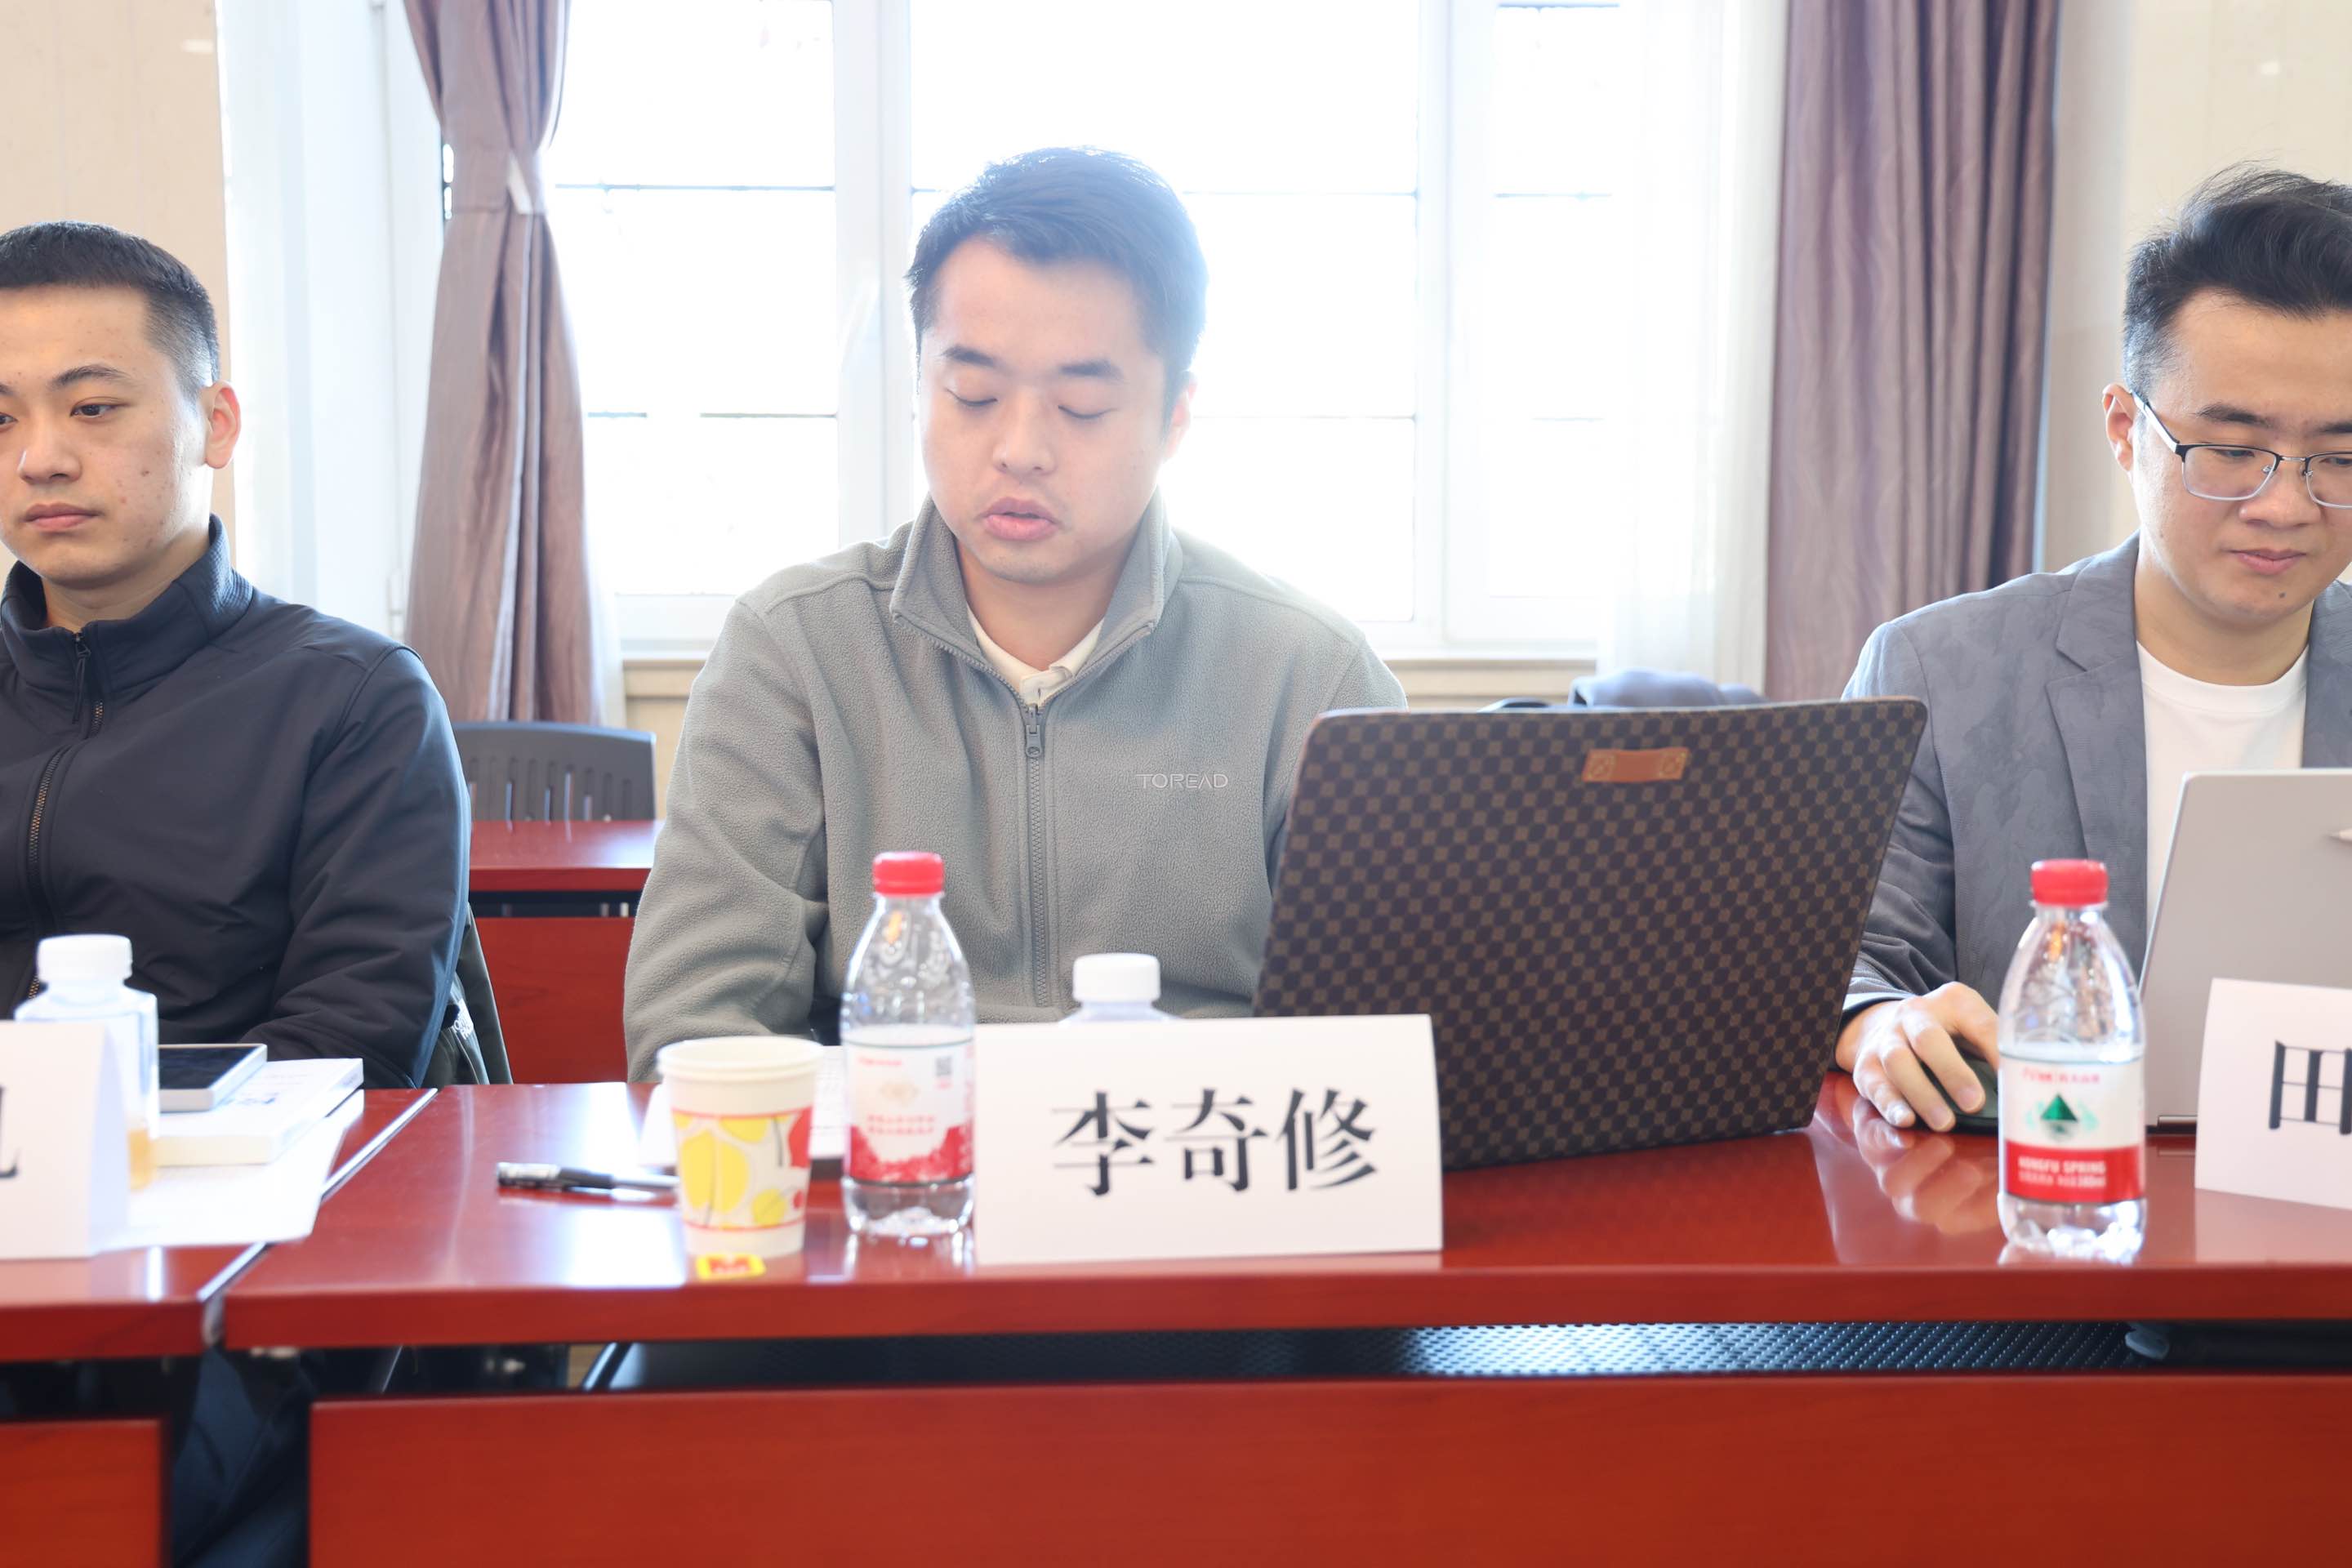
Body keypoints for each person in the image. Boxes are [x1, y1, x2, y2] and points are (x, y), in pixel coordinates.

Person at [625, 148, 1405, 1073]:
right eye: (974, 394)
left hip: (1196, 1149)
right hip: (898, 1146)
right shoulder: (796, 650)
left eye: (1082, 406)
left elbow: (1392, 1054)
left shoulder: (1309, 677)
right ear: (920, 388)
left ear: (1175, 416)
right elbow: (694, 1031)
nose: (1020, 448)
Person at [1838, 167, 2352, 1132]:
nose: (2285, 505)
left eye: (2341, 458)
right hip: (2033, 1188)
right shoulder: (1938, 675)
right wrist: (1876, 1021)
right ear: (2126, 430)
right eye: (2231, 450)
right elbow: (1850, 960)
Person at [0, 220, 467, 1089]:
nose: (40, 459)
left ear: (215, 425)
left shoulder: (354, 699)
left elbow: (350, 1047)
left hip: (244, 1165)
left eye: (92, 408)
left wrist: (88, 1132)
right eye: (1, 418)